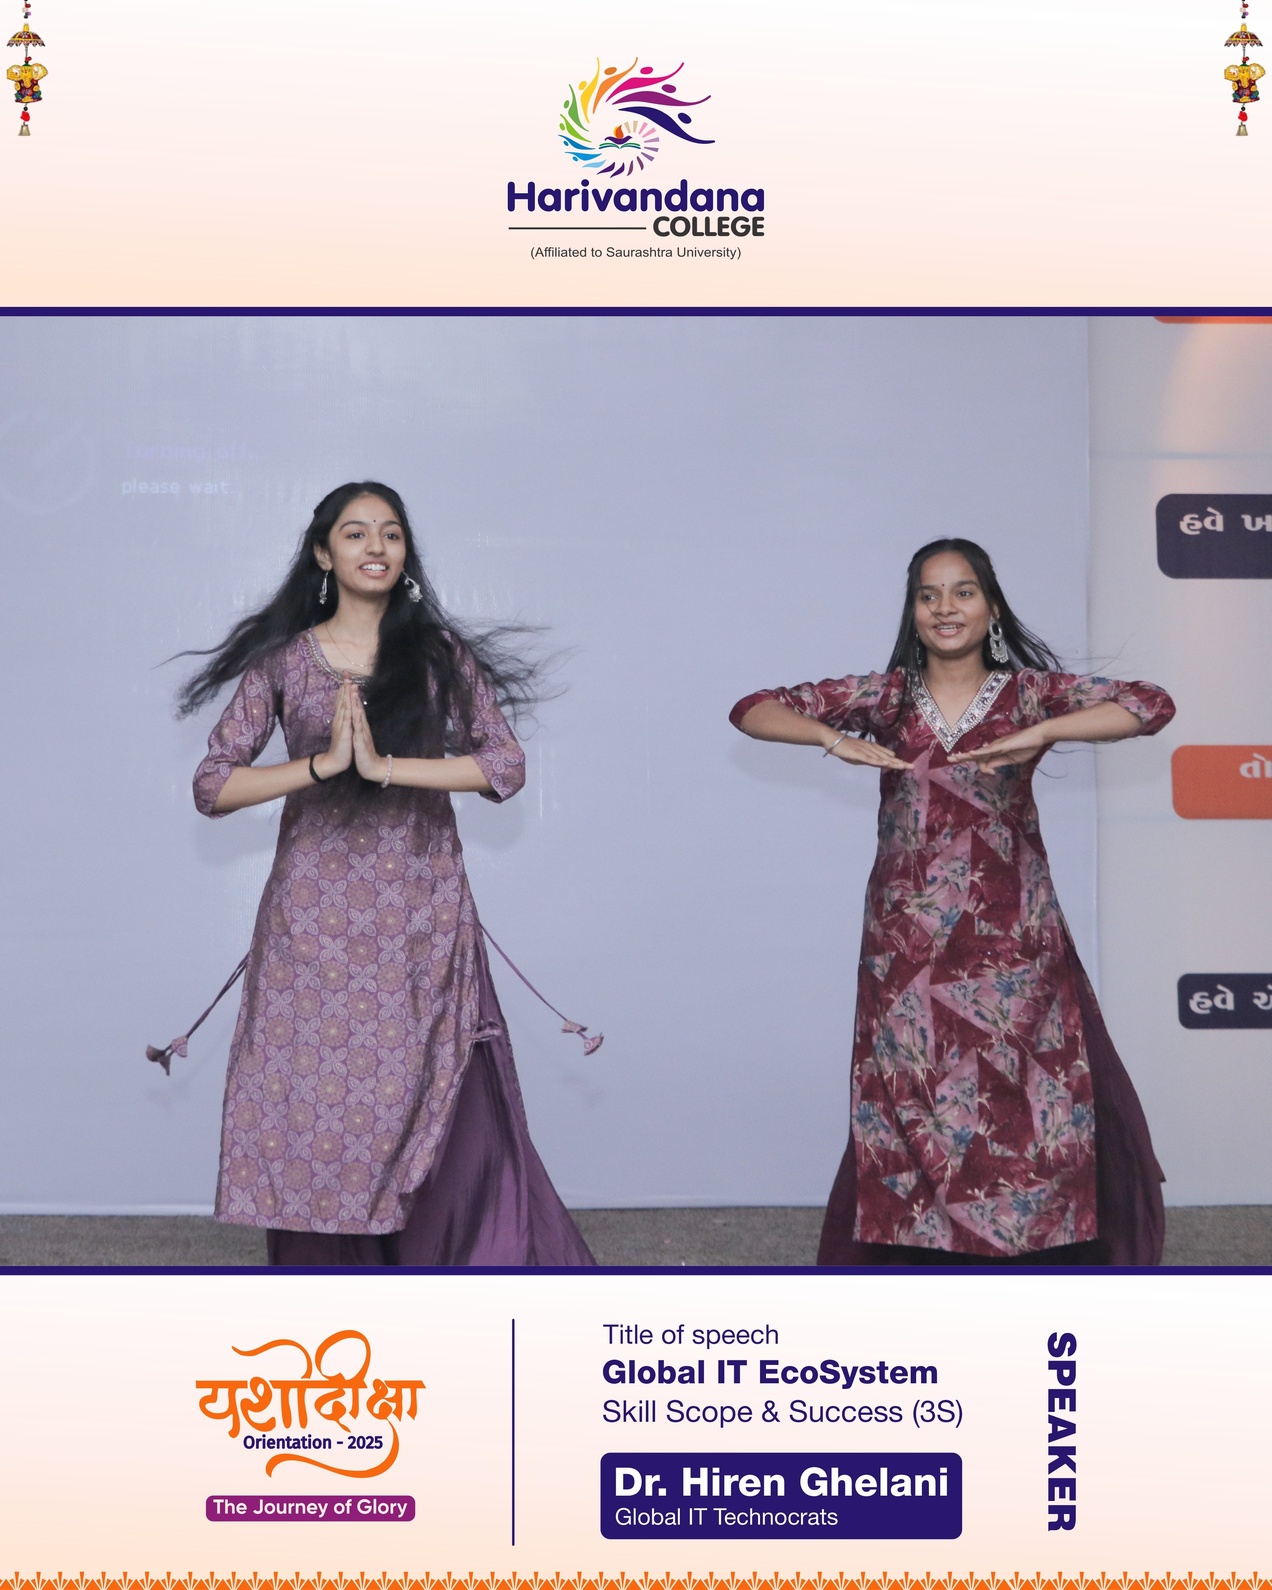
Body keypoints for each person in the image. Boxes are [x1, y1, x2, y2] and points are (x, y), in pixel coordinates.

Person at [169, 481, 595, 1267]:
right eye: (356, 533)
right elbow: (212, 786)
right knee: (321, 1103)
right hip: (312, 926)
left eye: (391, 533)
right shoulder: (285, 662)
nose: (376, 547)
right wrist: (321, 766)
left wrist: (387, 768)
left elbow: (504, 766)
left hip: (419, 915)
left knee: (428, 1091)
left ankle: (455, 1272)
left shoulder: (438, 657)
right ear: (322, 554)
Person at [730, 538, 1174, 1266]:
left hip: (1013, 934)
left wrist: (1046, 730)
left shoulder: (1028, 695)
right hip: (908, 937)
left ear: (991, 606)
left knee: (1025, 1091)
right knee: (914, 1093)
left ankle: (1037, 1254)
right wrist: (831, 739)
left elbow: (1150, 704)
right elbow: (752, 709)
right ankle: (921, 1259)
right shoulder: (887, 696)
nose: (945, 607)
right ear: (913, 610)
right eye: (928, 594)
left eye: (963, 591)